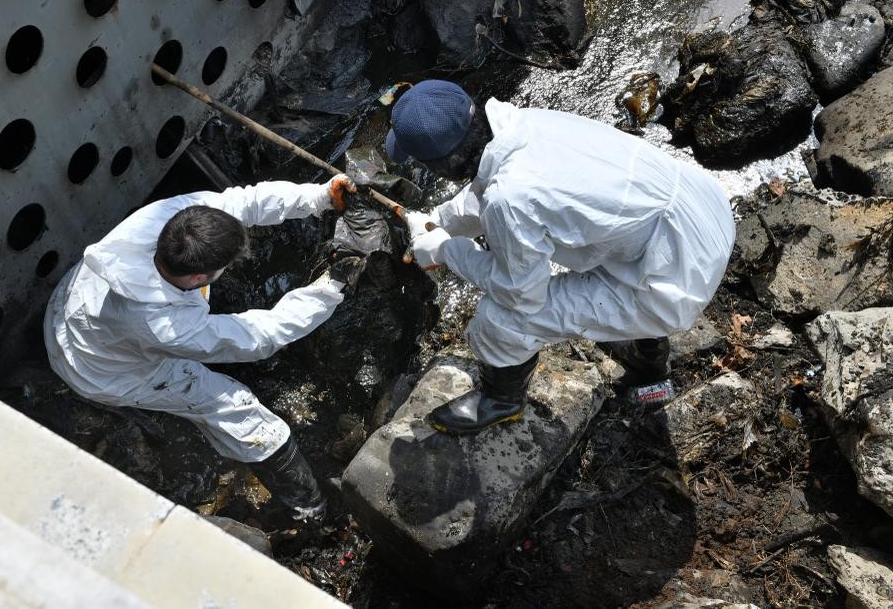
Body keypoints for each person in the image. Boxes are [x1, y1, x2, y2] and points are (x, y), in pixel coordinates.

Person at [388, 80, 736, 434]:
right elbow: (495, 193)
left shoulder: (508, 197)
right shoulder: (520, 125)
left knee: (501, 319)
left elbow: (521, 293)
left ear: (443, 166)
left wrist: (449, 251)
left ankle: (501, 401)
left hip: (678, 274)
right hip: (700, 208)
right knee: (594, 238)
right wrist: (439, 222)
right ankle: (649, 365)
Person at [44, 175, 357, 519]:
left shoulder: (174, 220)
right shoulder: (167, 326)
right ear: (197, 279)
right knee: (236, 410)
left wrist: (320, 196)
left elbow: (244, 202)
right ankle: (309, 505)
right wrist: (332, 287)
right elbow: (261, 336)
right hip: (99, 367)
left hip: (73, 304)